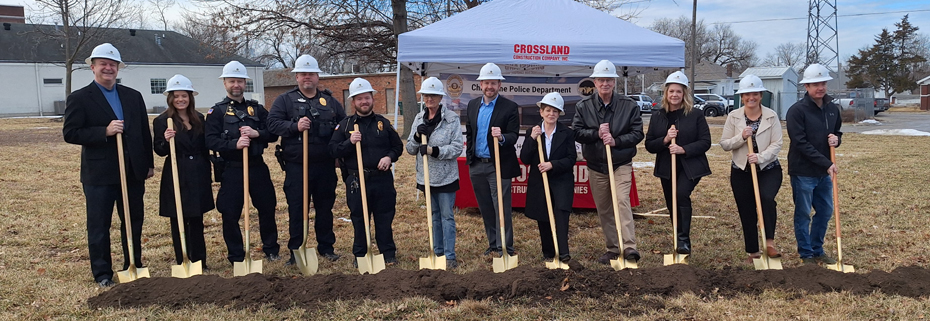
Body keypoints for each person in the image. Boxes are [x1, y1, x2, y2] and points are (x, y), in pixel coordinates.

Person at [62, 43, 154, 287]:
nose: (108, 68)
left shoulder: (133, 96)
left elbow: (144, 132)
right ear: (93, 67)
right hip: (99, 174)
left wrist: (148, 164)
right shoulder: (80, 98)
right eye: (103, 64)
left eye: (112, 64)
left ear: (117, 68)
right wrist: (104, 131)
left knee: (133, 221)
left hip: (132, 171)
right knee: (99, 225)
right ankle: (102, 273)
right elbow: (71, 133)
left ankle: (134, 264)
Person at [267, 55, 346, 265]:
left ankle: (326, 247)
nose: (307, 77)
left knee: (324, 208)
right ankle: (296, 250)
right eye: (303, 74)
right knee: (297, 209)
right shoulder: (284, 100)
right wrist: (294, 127)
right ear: (297, 77)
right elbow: (272, 125)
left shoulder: (330, 101)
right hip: (296, 166)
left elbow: (342, 127)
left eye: (311, 73)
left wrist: (338, 154)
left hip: (325, 166)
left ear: (318, 76)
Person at [205, 61, 281, 264]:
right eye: (232, 81)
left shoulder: (257, 110)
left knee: (267, 208)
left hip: (257, 166)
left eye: (239, 81)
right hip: (232, 169)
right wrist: (233, 145)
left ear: (245, 82)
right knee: (229, 213)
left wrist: (257, 133)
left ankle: (271, 249)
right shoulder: (217, 112)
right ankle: (236, 254)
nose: (236, 85)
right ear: (225, 83)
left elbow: (273, 133)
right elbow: (210, 140)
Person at [571, 59, 644, 264]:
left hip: (620, 163)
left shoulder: (628, 105)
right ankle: (613, 248)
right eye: (601, 80)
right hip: (596, 166)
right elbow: (577, 132)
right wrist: (596, 133)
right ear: (594, 82)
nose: (605, 84)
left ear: (614, 82)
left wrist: (616, 141)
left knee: (622, 201)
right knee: (604, 208)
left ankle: (629, 247)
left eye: (609, 80)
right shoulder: (583, 106)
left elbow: (638, 133)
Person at [330, 78, 403, 266]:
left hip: (382, 180)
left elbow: (397, 147)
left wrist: (389, 157)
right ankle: (361, 254)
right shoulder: (345, 126)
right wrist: (349, 142)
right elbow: (332, 150)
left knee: (384, 217)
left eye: (367, 98)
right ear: (353, 102)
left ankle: (388, 253)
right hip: (356, 179)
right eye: (360, 99)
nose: (364, 102)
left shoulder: (383, 123)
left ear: (372, 99)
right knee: (359, 218)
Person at [644, 71, 711, 255]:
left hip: (690, 166)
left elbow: (705, 141)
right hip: (667, 167)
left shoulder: (695, 115)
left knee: (681, 194)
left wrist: (683, 149)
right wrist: (665, 140)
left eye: (678, 91)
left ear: (684, 94)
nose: (674, 95)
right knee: (671, 201)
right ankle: (677, 233)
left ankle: (684, 239)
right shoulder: (658, 116)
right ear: (666, 93)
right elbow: (649, 144)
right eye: (671, 91)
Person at [719, 74, 784, 263]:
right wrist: (741, 136)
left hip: (768, 168)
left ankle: (769, 243)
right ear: (742, 97)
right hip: (741, 170)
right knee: (746, 208)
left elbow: (777, 144)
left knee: (766, 199)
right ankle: (753, 251)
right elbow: (725, 144)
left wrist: (760, 157)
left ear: (761, 95)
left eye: (755, 94)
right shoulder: (734, 116)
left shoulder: (771, 116)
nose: (751, 98)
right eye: (747, 94)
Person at [152, 74, 214, 270]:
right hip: (177, 173)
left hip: (198, 172)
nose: (180, 100)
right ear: (170, 98)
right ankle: (183, 260)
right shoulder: (163, 121)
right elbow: (160, 151)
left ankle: (200, 261)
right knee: (178, 218)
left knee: (196, 218)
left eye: (184, 96)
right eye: (176, 96)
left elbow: (206, 146)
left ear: (190, 97)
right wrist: (165, 139)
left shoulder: (200, 119)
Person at [404, 77, 465, 269]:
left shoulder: (451, 119)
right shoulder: (418, 119)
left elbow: (456, 148)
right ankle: (437, 252)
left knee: (447, 216)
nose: (429, 98)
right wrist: (415, 136)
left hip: (446, 176)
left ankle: (449, 256)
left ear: (440, 97)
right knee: (433, 215)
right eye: (426, 95)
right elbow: (410, 149)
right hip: (426, 176)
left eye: (433, 95)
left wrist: (434, 151)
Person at [787, 63, 842, 265]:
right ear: (807, 87)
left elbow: (837, 132)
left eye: (823, 83)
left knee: (825, 210)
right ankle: (806, 253)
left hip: (823, 172)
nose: (820, 87)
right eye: (815, 84)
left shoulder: (832, 109)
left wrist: (837, 140)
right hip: (802, 171)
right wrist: (826, 163)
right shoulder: (797, 111)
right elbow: (800, 143)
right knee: (803, 213)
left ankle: (817, 249)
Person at [463, 63, 520, 257]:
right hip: (477, 164)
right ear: (480, 84)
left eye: (493, 83)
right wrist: (470, 156)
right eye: (486, 82)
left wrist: (502, 137)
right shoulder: (472, 105)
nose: (490, 86)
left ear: (499, 85)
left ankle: (506, 247)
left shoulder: (510, 107)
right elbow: (470, 132)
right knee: (485, 207)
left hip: (499, 165)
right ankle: (493, 244)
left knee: (501, 207)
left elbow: (514, 135)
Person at [519, 92, 577, 262]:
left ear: (559, 114)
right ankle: (548, 253)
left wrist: (553, 164)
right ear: (541, 112)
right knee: (543, 217)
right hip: (540, 184)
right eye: (548, 110)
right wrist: (531, 139)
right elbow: (525, 158)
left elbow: (571, 158)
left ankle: (563, 254)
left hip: (561, 182)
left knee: (561, 216)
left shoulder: (566, 133)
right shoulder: (533, 132)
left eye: (555, 111)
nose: (551, 114)